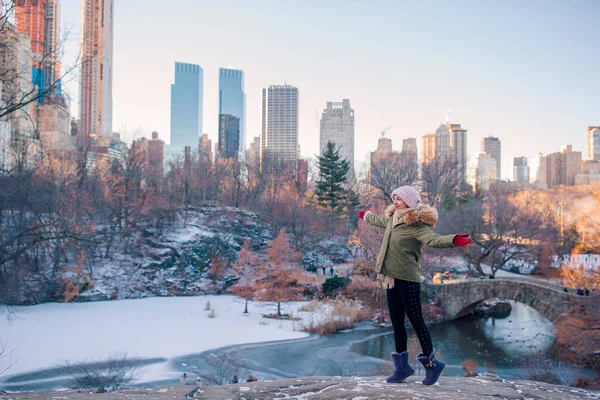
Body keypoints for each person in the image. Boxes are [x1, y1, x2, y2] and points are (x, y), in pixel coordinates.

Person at [358, 186, 472, 386]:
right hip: (390, 278)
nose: (395, 201)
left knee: (417, 321)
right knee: (396, 323)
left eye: (399, 199)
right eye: (394, 198)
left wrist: (453, 240)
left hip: (408, 280)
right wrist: (367, 216)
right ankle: (401, 368)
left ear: (410, 202)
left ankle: (432, 365)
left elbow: (433, 239)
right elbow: (379, 220)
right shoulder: (393, 220)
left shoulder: (417, 225)